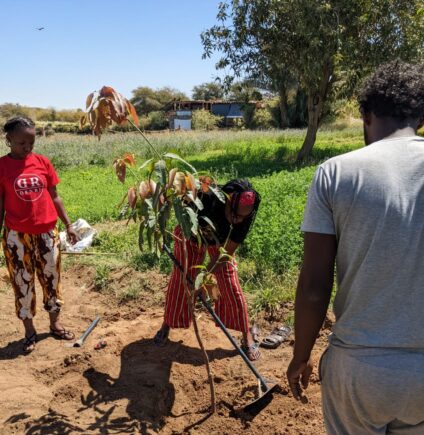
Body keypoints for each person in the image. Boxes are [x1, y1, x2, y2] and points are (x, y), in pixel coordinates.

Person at [286, 60, 424, 434]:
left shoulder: (336, 173)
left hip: (361, 369)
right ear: (419, 118)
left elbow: (315, 287)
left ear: (366, 116)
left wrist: (301, 356)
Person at [154, 179, 262, 361]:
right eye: (235, 215)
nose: (238, 220)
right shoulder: (205, 196)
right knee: (181, 282)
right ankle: (167, 324)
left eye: (243, 218)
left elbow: (225, 254)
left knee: (230, 284)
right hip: (191, 236)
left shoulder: (245, 217)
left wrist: (202, 283)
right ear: (227, 201)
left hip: (219, 244)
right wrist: (158, 220)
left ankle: (246, 335)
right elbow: (172, 192)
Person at [1, 117, 78, 353]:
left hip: (47, 233)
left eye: (31, 143)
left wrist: (68, 224)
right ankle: (29, 332)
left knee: (52, 280)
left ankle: (55, 324)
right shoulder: (2, 167)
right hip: (17, 236)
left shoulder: (43, 162)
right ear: (9, 140)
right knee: (22, 282)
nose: (27, 147)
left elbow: (55, 196)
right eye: (22, 142)